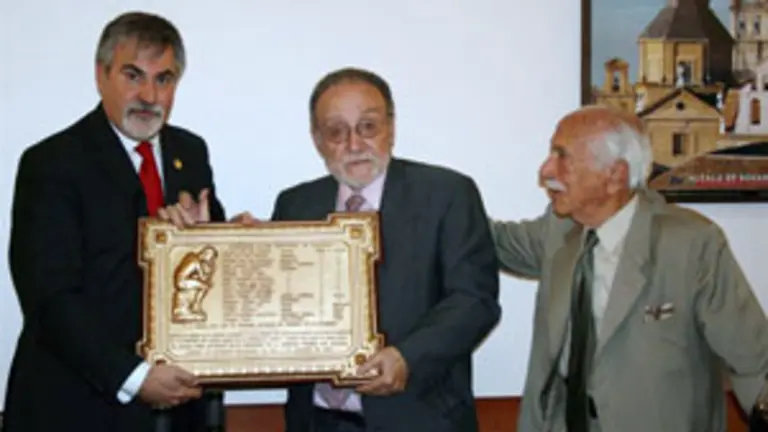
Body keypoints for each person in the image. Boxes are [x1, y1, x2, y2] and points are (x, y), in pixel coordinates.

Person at [162, 67, 502, 431]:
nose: (354, 144)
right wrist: (208, 246)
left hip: (417, 418)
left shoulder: (447, 194)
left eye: (368, 126)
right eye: (336, 132)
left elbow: (474, 301)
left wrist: (407, 358)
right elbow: (268, 311)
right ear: (317, 139)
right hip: (315, 421)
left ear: (391, 127)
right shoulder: (296, 204)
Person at [3, 11, 226, 432]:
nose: (149, 94)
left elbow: (209, 276)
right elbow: (49, 298)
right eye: (133, 75)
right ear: (101, 75)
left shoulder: (191, 153)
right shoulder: (51, 163)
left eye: (164, 79)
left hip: (183, 411)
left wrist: (223, 239)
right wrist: (134, 377)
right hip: (76, 408)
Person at [488, 105, 768, 431]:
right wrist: (432, 197)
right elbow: (485, 240)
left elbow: (753, 359)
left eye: (562, 157)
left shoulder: (691, 244)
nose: (546, 171)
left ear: (615, 175)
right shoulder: (557, 232)